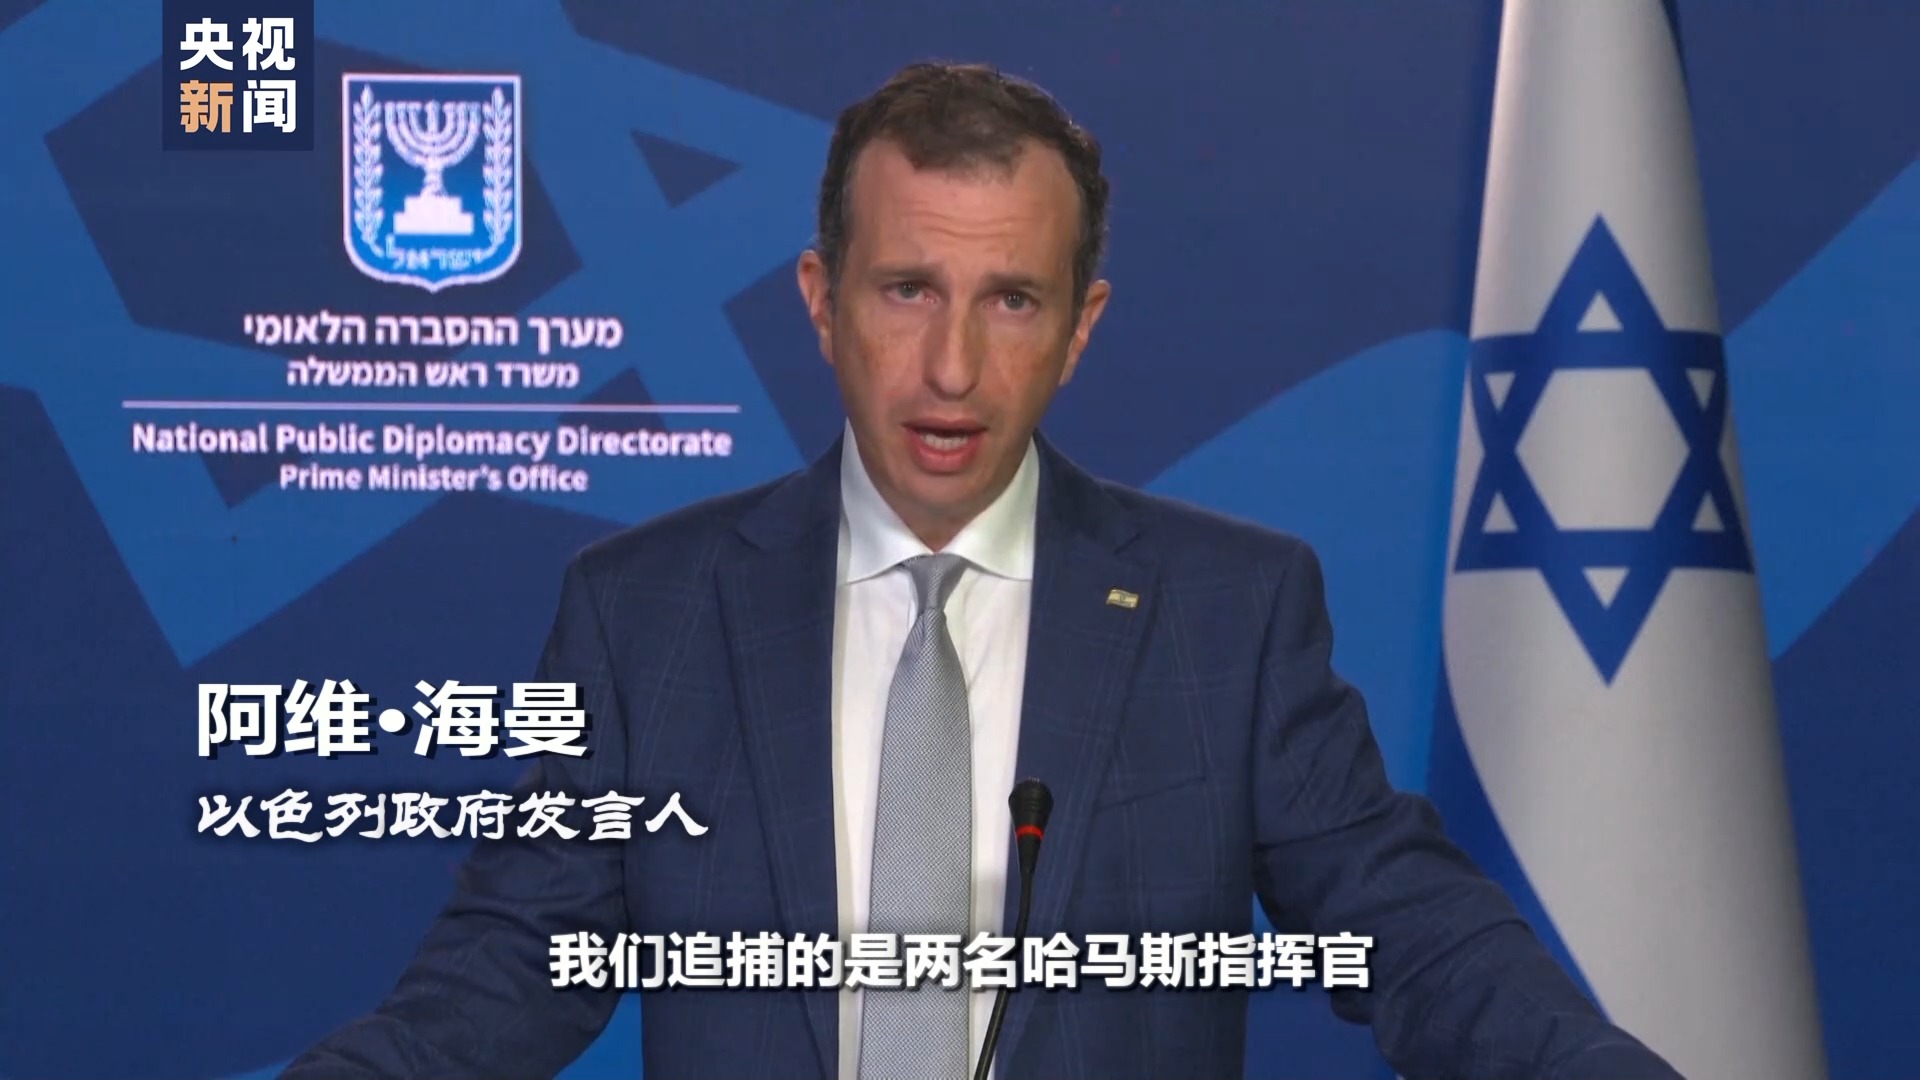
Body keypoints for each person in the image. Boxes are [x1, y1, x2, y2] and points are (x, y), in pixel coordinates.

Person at [283, 61, 1682, 1080]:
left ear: (1081, 328)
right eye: (908, 291)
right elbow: (503, 974)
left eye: (1012, 301)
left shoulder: (1228, 617)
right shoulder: (646, 613)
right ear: (822, 301)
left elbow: (1413, 931)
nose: (953, 367)